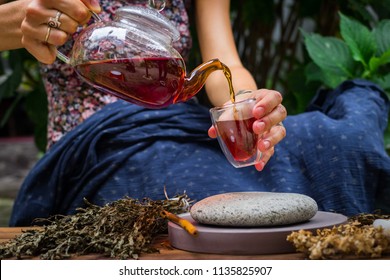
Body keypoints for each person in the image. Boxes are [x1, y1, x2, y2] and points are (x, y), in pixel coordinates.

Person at [1, 0, 389, 226]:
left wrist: (252, 108)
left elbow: (224, 67)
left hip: (176, 121)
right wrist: (19, 19)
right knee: (194, 194)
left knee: (337, 142)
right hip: (97, 142)